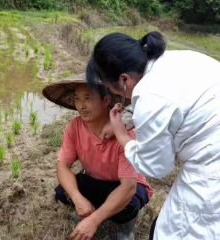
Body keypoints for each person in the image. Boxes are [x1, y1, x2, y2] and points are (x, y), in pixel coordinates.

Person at [86, 31, 220, 240]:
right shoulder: (174, 60)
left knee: (173, 232)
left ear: (123, 80)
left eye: (111, 88)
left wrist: (122, 134)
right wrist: (128, 118)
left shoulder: (151, 96)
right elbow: (168, 104)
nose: (112, 94)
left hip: (211, 173)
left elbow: (158, 167)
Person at [42, 74, 153, 240]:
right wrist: (78, 199)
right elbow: (62, 166)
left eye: (88, 98)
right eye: (77, 99)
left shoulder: (124, 133)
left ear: (106, 101)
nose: (81, 105)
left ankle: (126, 229)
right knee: (63, 192)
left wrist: (94, 220)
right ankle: (93, 210)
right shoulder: (74, 127)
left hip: (128, 184)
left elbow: (128, 187)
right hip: (97, 179)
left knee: (128, 205)